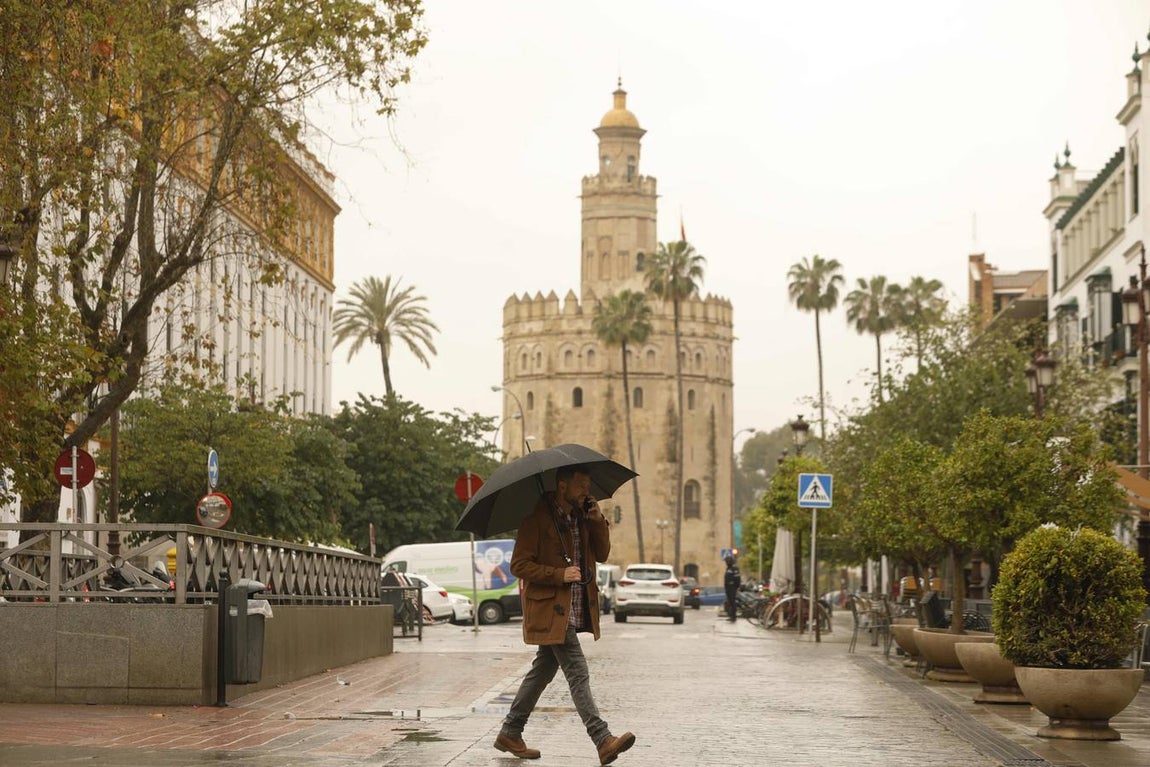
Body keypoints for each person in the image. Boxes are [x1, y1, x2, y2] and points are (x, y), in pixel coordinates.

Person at [493, 465, 636, 765]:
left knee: (543, 669)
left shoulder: (583, 519)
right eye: (581, 484)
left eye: (588, 484)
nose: (587, 490)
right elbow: (518, 565)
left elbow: (603, 554)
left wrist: (598, 522)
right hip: (550, 608)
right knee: (577, 671)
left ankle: (510, 731)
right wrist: (559, 574)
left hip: (573, 605)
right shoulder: (536, 521)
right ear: (562, 486)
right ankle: (602, 739)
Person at [724, 555, 741, 622]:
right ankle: (731, 616)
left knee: (732, 602)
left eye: (727, 561)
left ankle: (733, 617)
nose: (726, 562)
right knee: (730, 602)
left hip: (732, 588)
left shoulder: (734, 568)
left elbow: (737, 579)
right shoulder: (728, 568)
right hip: (728, 588)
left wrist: (735, 586)